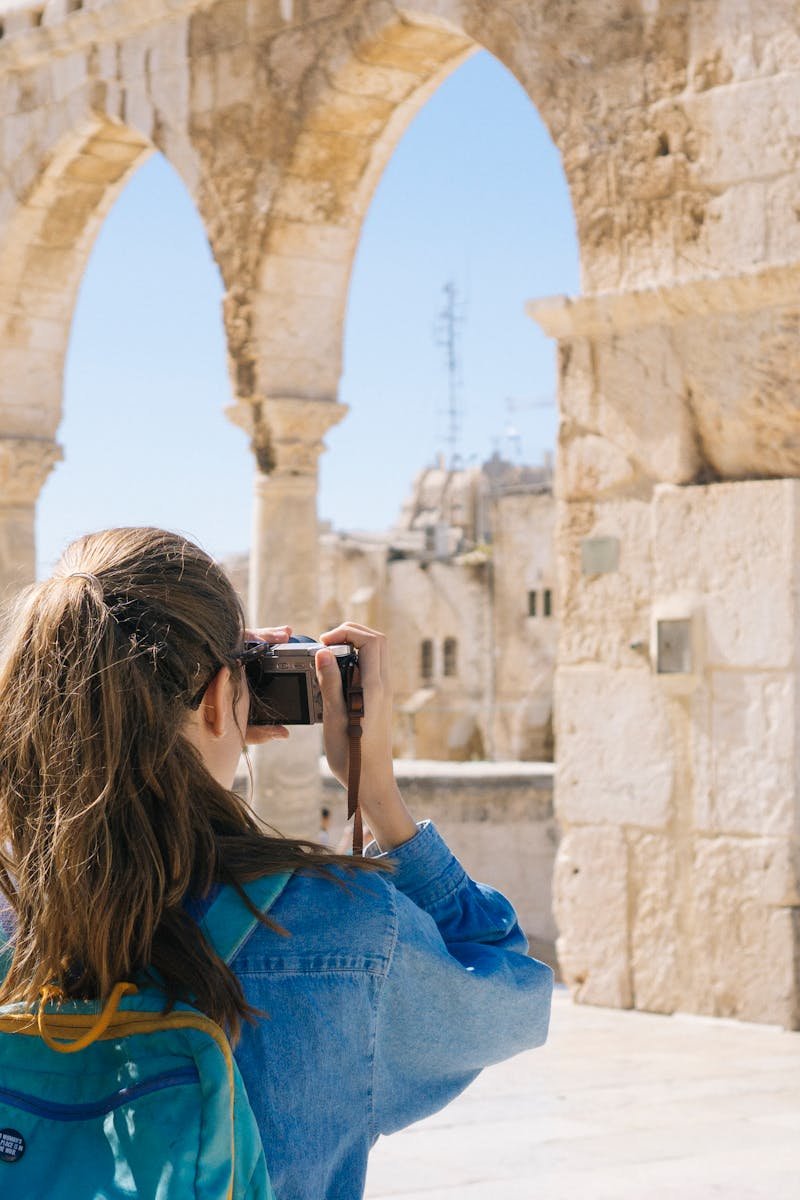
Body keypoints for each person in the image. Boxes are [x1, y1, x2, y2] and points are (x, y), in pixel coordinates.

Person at [0, 527, 553, 1200]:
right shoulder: (337, 928)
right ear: (214, 700)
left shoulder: (15, 923)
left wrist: (222, 685)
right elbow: (513, 995)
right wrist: (376, 794)